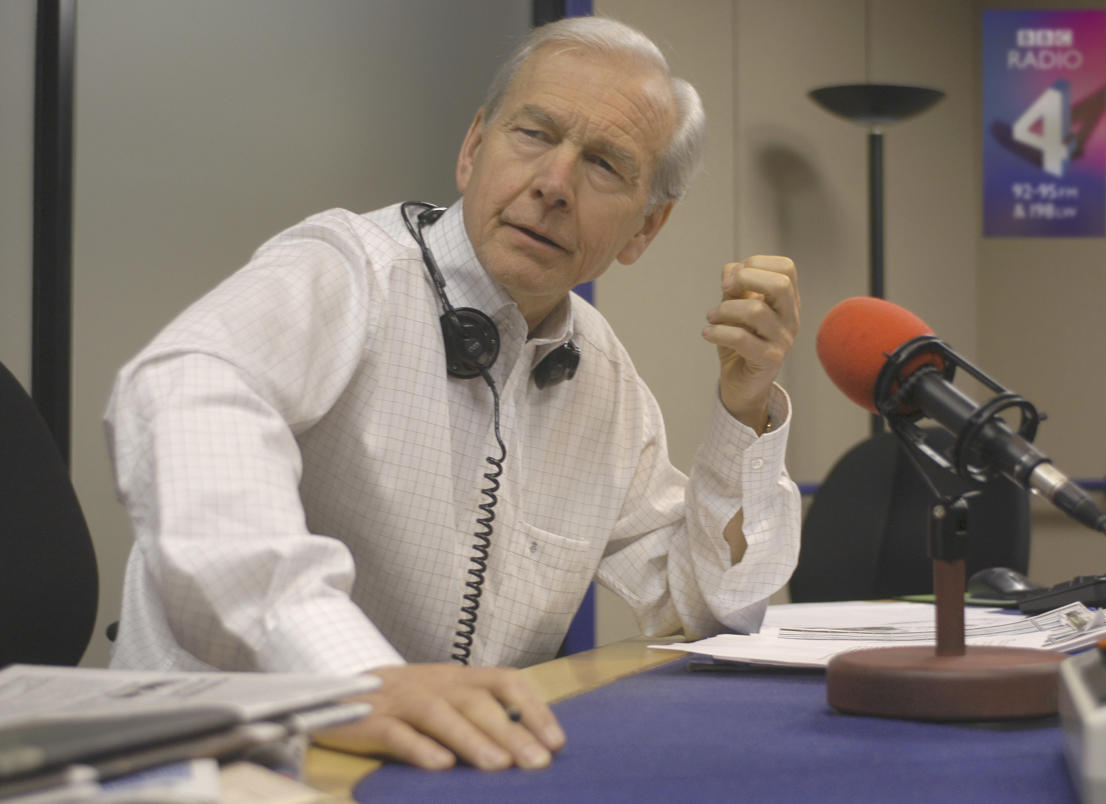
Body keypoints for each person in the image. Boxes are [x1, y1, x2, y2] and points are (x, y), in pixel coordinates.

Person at [104, 16, 801, 772]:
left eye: (603, 163)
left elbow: (703, 606)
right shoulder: (347, 270)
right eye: (534, 134)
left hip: (443, 772)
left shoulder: (599, 373)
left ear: (645, 228)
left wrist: (745, 406)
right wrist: (353, 676)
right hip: (221, 763)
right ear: (474, 149)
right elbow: (178, 389)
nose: (552, 184)